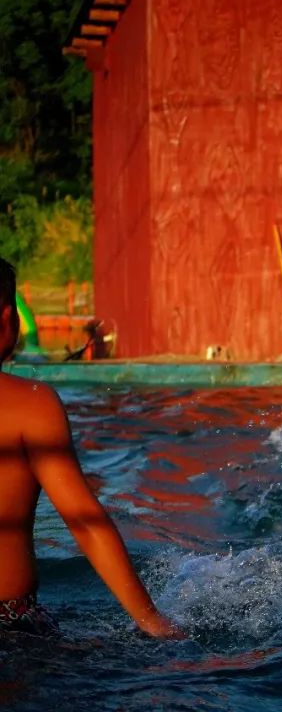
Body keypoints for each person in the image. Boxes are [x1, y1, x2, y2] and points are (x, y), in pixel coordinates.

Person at [0, 257, 183, 638]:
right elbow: (83, 520)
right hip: (11, 627)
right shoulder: (29, 405)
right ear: (7, 318)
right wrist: (153, 622)